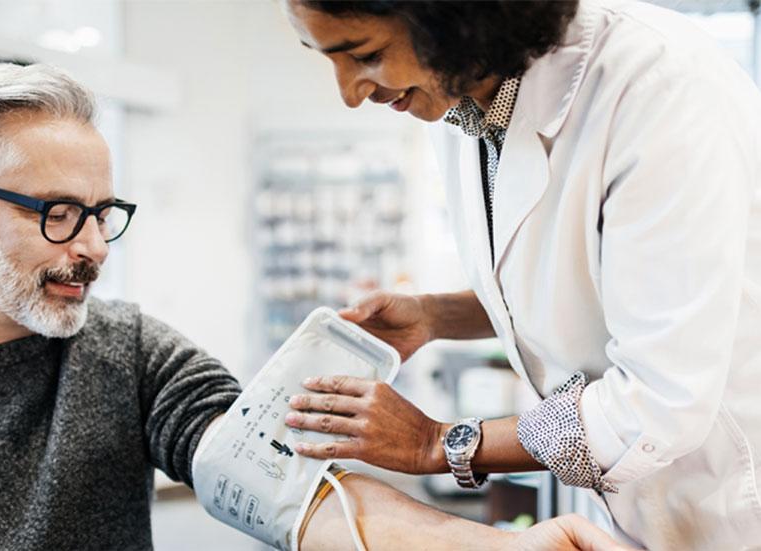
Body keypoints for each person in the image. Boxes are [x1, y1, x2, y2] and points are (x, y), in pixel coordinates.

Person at [0, 62, 625, 551]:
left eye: (102, 212)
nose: (93, 246)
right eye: (58, 212)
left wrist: (500, 546)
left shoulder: (127, 351)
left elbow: (288, 491)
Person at [282, 1, 761, 549]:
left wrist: (439, 443)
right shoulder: (461, 102)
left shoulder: (660, 90)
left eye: (366, 54)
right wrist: (436, 316)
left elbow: (657, 403)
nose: (349, 92)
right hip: (639, 508)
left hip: (736, 506)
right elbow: (579, 282)